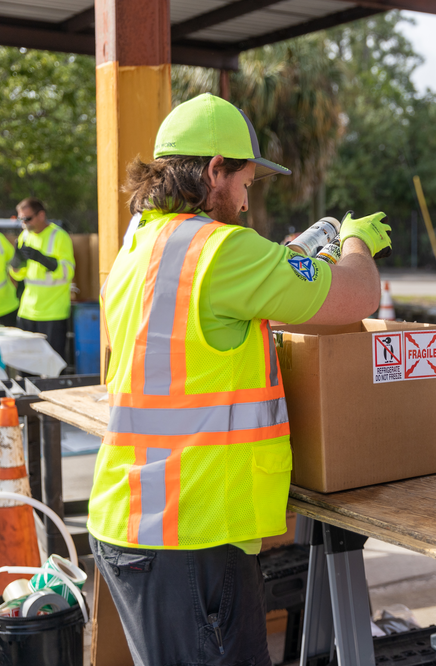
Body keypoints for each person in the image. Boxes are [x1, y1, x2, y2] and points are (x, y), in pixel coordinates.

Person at [87, 92, 391, 666]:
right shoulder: (222, 252)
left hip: (136, 520)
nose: (248, 202)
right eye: (246, 183)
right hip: (190, 534)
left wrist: (292, 262)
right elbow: (358, 294)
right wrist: (356, 242)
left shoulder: (138, 246)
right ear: (213, 171)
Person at [9, 198, 74, 359]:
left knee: (53, 363)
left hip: (53, 312)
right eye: (21, 219)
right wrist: (16, 264)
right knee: (26, 362)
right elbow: (18, 275)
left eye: (28, 219)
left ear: (41, 215)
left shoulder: (59, 236)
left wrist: (43, 259)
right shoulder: (24, 236)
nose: (24, 223)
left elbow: (68, 272)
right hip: (27, 310)